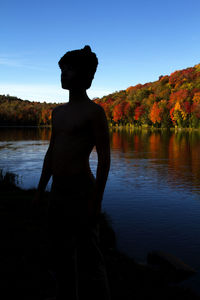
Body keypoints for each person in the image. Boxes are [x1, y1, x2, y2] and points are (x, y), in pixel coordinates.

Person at [34, 45, 111, 300]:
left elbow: (104, 159)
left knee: (91, 255)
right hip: (58, 192)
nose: (63, 74)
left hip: (82, 191)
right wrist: (41, 188)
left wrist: (96, 200)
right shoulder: (57, 113)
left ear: (86, 76)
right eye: (62, 69)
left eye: (69, 69)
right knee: (61, 254)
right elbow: (51, 152)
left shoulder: (94, 113)